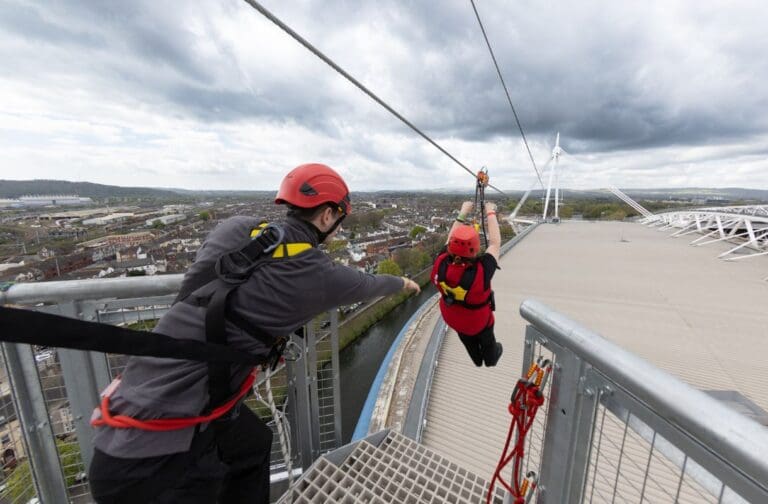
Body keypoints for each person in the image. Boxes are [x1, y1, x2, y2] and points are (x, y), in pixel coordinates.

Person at [88, 163, 421, 504]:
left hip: (129, 419)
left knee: (254, 444)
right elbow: (369, 284)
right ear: (327, 216)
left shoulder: (234, 230)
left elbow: (199, 287)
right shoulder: (315, 272)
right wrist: (403, 282)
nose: (337, 229)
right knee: (214, 477)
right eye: (339, 220)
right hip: (160, 455)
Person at [431, 200, 502, 367]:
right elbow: (494, 243)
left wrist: (463, 212)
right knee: (488, 341)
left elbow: (450, 238)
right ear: (475, 249)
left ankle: (477, 360)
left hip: (452, 317)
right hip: (479, 321)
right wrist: (490, 212)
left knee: (467, 339)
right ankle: (491, 359)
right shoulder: (481, 272)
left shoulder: (440, 262)